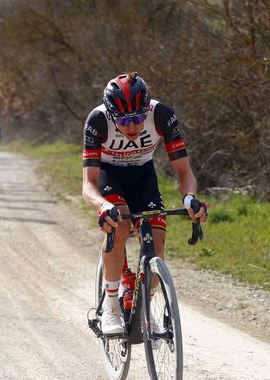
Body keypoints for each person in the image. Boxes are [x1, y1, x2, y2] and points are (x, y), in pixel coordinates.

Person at [82, 72, 207, 335]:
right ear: (111, 114)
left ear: (147, 109)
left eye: (139, 118)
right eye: (125, 121)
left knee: (157, 243)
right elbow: (89, 183)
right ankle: (113, 305)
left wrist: (189, 199)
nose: (134, 126)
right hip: (110, 175)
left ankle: (144, 306)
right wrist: (102, 206)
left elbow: (184, 171)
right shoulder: (98, 120)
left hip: (143, 175)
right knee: (121, 226)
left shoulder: (162, 115)